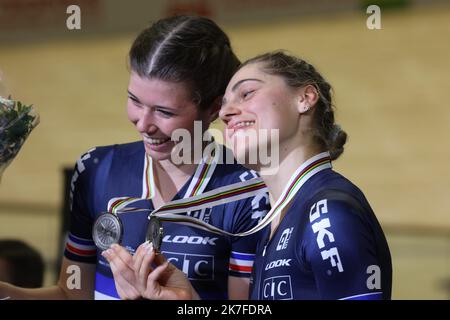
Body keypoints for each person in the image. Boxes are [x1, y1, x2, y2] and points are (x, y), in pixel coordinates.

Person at [0, 15, 269, 300]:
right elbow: (72, 294)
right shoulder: (96, 169)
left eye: (165, 112)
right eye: (134, 100)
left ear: (215, 108)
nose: (143, 123)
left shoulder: (246, 191)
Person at [133, 51, 392, 300]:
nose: (224, 113)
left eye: (246, 93)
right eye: (223, 104)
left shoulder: (328, 211)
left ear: (305, 97)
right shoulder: (277, 221)